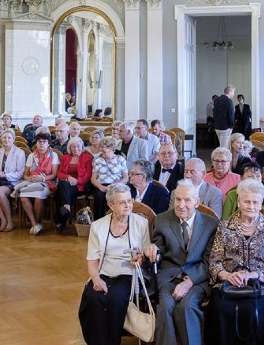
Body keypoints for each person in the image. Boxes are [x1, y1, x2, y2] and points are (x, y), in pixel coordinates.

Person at [143, 180, 219, 345]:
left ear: (197, 203)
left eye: (187, 200)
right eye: (178, 199)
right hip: (169, 277)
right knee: (165, 306)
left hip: (198, 278)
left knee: (186, 306)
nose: (181, 205)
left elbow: (210, 260)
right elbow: (159, 251)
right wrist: (153, 253)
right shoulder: (162, 220)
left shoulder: (211, 224)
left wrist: (190, 281)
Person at [208, 179, 264, 344]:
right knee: (220, 309)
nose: (251, 206)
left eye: (256, 202)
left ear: (262, 204)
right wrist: (227, 275)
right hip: (227, 284)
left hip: (259, 287)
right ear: (238, 202)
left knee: (250, 310)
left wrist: (253, 275)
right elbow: (214, 260)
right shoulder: (225, 226)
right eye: (247, 201)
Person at [78, 183, 150, 345]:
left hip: (129, 272)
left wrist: (140, 258)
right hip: (104, 271)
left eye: (129, 200)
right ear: (111, 205)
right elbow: (92, 259)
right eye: (122, 202)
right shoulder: (98, 226)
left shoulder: (141, 223)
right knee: (92, 298)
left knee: (116, 298)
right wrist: (96, 279)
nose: (128, 205)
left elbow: (145, 252)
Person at [15, 131, 59, 234]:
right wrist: (29, 178)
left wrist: (42, 179)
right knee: (23, 196)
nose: (41, 144)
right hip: (32, 182)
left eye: (44, 142)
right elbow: (25, 174)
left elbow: (54, 175)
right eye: (39, 142)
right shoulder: (32, 156)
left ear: (48, 143)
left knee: (38, 196)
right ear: (36, 143)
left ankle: (38, 222)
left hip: (47, 182)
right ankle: (35, 224)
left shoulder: (54, 155)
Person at [0, 129, 27, 232]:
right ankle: (3, 220)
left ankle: (10, 220)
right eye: (4, 137)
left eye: (9, 137)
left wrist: (5, 175)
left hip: (13, 181)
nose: (6, 139)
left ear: (13, 139)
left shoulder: (19, 152)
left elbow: (20, 173)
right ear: (1, 139)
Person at [55, 137, 92, 233]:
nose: (76, 149)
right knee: (63, 184)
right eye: (73, 147)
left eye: (78, 146)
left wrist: (77, 181)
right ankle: (67, 208)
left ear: (82, 146)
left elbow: (88, 175)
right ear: (69, 148)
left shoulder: (88, 158)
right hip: (66, 184)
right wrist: (68, 177)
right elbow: (59, 174)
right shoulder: (65, 158)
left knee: (61, 189)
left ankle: (61, 222)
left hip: (79, 186)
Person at [90, 137, 128, 219]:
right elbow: (93, 179)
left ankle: (116, 220)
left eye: (103, 147)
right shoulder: (97, 160)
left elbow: (126, 178)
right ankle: (98, 222)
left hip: (117, 186)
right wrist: (101, 187)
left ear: (111, 148)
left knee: (115, 197)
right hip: (101, 186)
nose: (100, 149)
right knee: (99, 196)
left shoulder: (120, 159)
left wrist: (115, 185)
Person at [212, 85, 236, 149]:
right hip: (225, 127)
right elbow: (231, 115)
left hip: (217, 126)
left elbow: (214, 113)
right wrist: (231, 126)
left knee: (222, 145)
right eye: (233, 92)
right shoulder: (229, 101)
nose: (234, 93)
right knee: (224, 147)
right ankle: (220, 159)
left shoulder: (217, 100)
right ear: (230, 91)